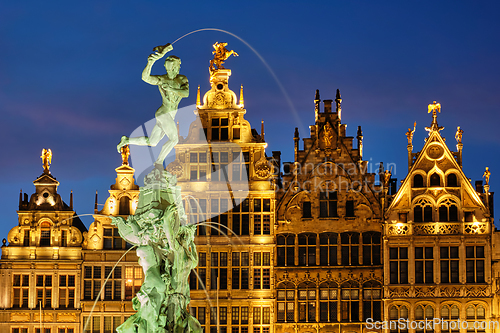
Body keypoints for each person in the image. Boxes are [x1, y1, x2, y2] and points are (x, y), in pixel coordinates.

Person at [117, 43, 189, 168]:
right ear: (172, 67)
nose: (178, 68)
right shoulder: (162, 79)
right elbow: (145, 78)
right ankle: (159, 163)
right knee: (174, 139)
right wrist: (150, 63)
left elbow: (186, 93)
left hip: (170, 114)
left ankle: (126, 140)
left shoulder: (181, 79)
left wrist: (171, 89)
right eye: (177, 66)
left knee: (153, 141)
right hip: (164, 112)